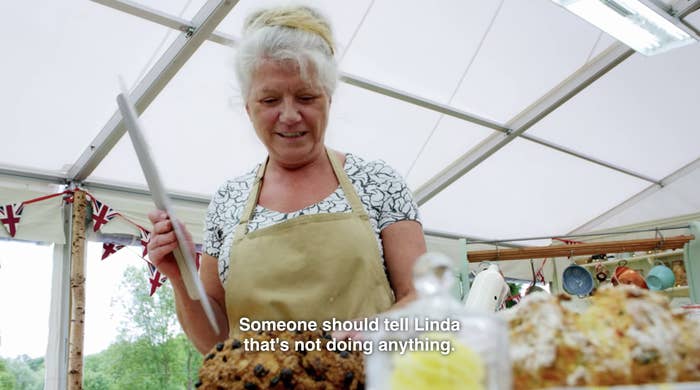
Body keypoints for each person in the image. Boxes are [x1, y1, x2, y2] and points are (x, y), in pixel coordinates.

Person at [147, 5, 427, 354]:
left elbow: (420, 300)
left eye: (306, 97)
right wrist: (180, 277)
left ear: (329, 98)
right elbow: (215, 342)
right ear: (248, 107)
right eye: (270, 99)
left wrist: (374, 332)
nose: (290, 116)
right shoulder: (227, 200)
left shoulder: (379, 182)